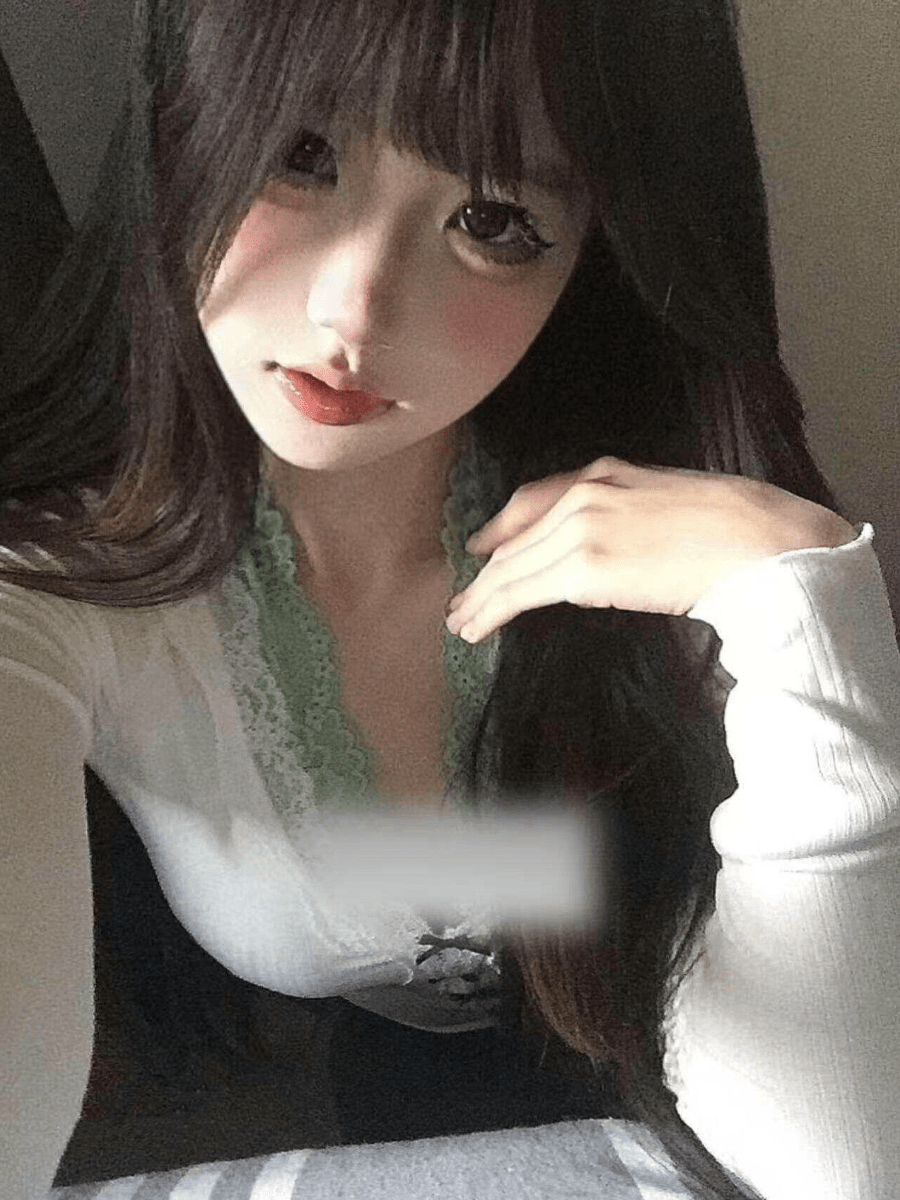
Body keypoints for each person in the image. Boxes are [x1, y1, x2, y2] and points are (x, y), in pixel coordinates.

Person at [1, 1, 898, 1198]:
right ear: (178, 119)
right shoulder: (53, 595)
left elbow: (836, 1167)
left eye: (493, 220)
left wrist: (803, 603)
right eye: (301, 153)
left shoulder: (670, 542)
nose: (355, 311)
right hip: (389, 1068)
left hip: (742, 1000)